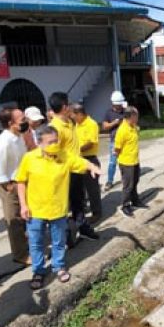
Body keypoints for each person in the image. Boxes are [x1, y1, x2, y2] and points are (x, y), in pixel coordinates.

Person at [15, 125, 102, 290]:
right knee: (36, 243)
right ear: (39, 143)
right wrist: (23, 205)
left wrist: (93, 167)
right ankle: (38, 271)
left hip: (58, 209)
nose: (55, 145)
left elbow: (80, 162)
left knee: (58, 241)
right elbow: (21, 182)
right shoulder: (29, 158)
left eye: (56, 141)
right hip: (35, 210)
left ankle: (59, 266)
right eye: (50, 142)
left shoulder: (64, 155)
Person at [48, 92, 98, 241]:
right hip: (66, 172)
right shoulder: (55, 128)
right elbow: (55, 154)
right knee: (66, 205)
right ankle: (67, 235)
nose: (70, 107)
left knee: (78, 201)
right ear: (64, 107)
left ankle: (82, 227)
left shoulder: (69, 122)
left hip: (77, 168)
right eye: (69, 104)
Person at [0, 107, 29, 265]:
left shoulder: (18, 136)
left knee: (24, 217)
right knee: (14, 220)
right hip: (10, 184)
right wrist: (9, 187)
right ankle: (20, 255)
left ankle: (27, 246)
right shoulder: (3, 143)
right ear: (10, 123)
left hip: (21, 181)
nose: (25, 121)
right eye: (22, 120)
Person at [72, 103, 102, 224]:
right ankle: (82, 211)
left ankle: (97, 213)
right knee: (80, 188)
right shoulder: (76, 125)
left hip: (90, 159)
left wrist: (76, 150)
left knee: (92, 189)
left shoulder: (91, 124)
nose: (72, 118)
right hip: (79, 160)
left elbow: (90, 143)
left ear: (79, 114)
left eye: (74, 115)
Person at [114, 106, 144, 218]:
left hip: (135, 160)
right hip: (126, 162)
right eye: (137, 116)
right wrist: (120, 158)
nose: (138, 118)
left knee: (135, 182)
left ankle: (135, 201)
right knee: (128, 185)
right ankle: (125, 206)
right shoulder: (122, 130)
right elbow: (117, 148)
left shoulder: (133, 126)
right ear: (131, 116)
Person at [102, 91, 126, 192]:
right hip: (114, 141)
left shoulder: (126, 111)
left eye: (120, 104)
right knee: (112, 162)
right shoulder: (108, 113)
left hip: (125, 141)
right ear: (113, 103)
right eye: (117, 105)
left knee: (125, 162)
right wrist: (115, 123)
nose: (119, 106)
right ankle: (109, 181)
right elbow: (105, 126)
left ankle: (125, 179)